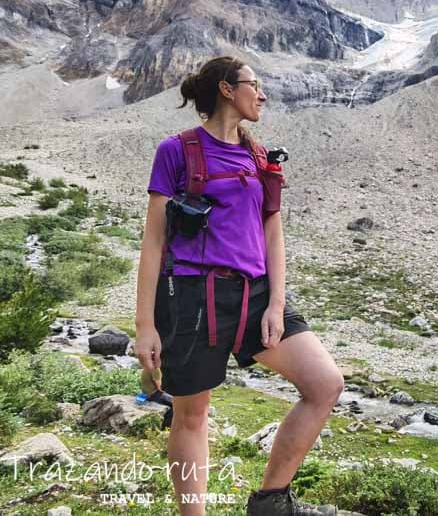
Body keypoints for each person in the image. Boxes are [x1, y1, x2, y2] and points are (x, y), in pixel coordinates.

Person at [134, 56, 344, 516]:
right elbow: (153, 242)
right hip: (193, 296)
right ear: (227, 90)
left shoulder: (257, 154)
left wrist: (277, 303)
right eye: (255, 85)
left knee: (325, 383)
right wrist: (145, 325)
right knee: (192, 416)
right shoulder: (177, 150)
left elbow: (273, 230)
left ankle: (271, 501)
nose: (263, 95)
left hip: (257, 295)